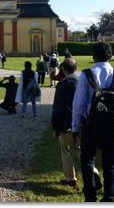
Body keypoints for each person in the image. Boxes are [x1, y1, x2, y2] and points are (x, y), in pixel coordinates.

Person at [72, 42, 114, 202]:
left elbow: (78, 104)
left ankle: (90, 196)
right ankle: (109, 198)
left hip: (90, 125)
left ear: (93, 56)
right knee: (111, 164)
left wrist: (75, 127)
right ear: (111, 55)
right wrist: (112, 112)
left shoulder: (86, 75)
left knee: (87, 160)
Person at [51, 57, 81, 188]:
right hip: (81, 123)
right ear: (76, 68)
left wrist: (55, 127)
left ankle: (70, 178)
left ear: (63, 69)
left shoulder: (62, 84)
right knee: (82, 151)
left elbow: (57, 108)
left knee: (66, 151)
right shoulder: (83, 82)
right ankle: (92, 173)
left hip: (65, 124)